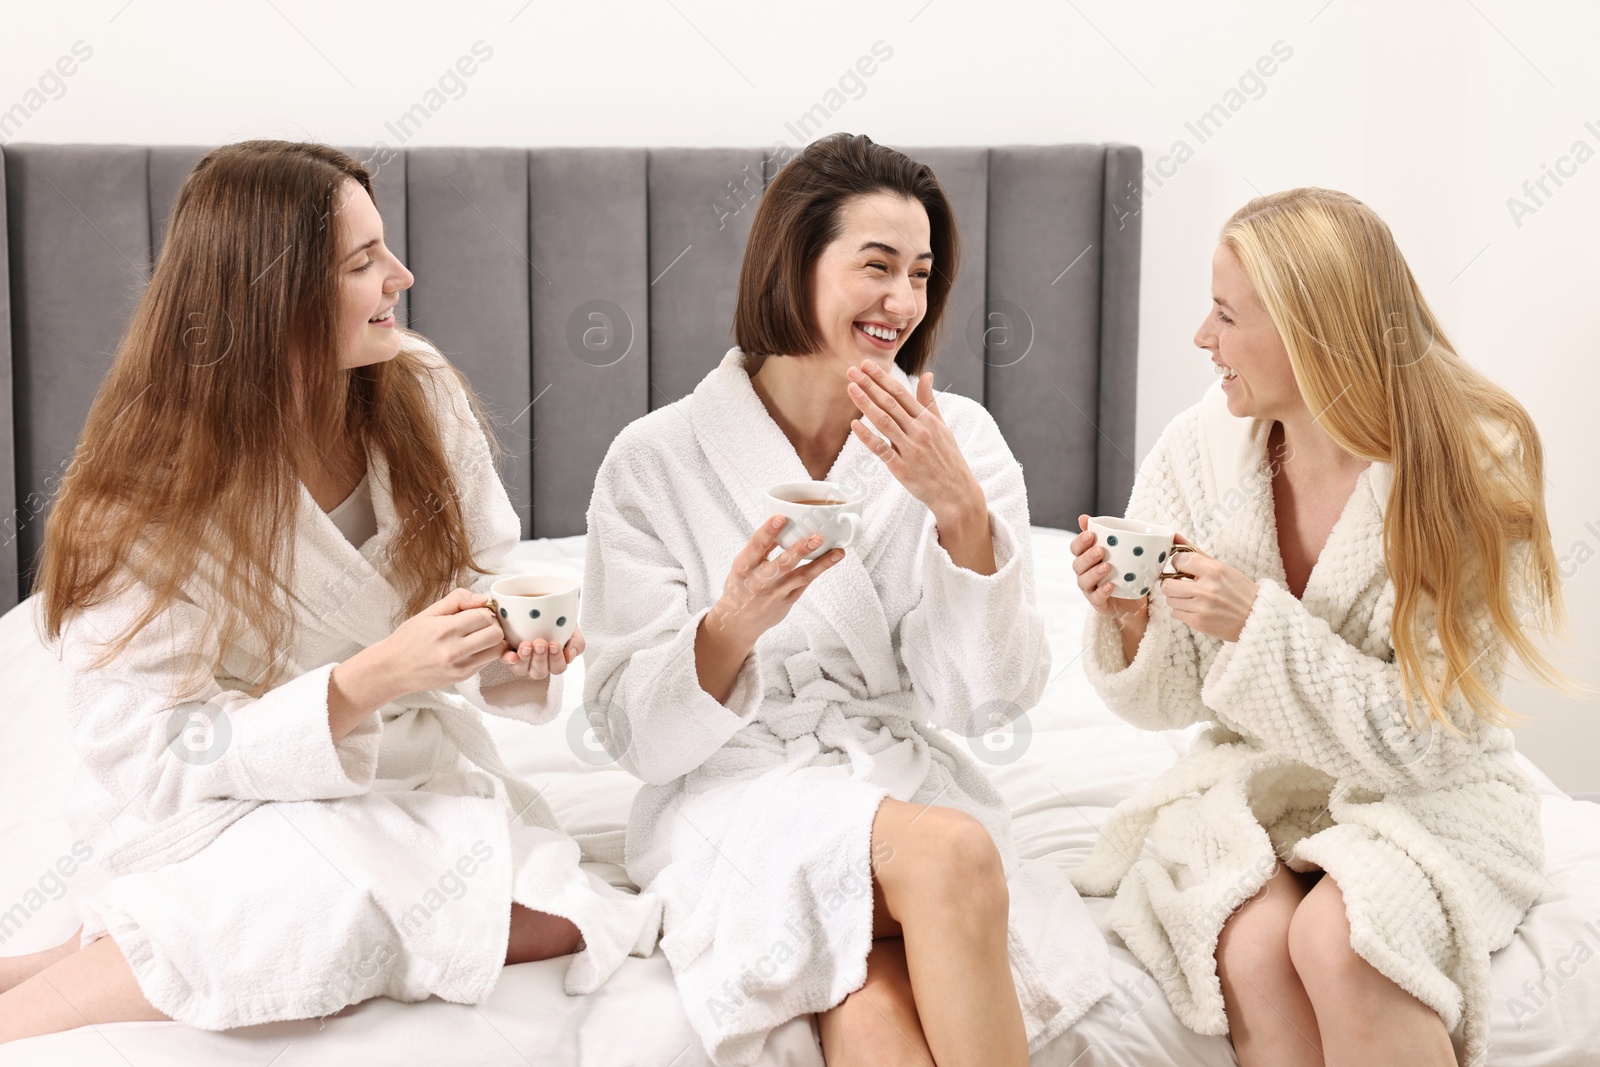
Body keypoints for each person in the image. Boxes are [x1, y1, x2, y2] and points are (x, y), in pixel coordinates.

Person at [0, 141, 659, 1043]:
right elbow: (149, 750)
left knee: (573, 918)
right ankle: (38, 1003)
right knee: (321, 909)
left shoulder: (416, 394)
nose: (402, 274)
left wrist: (507, 647)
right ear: (272, 296)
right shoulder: (150, 489)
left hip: (407, 778)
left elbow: (479, 574)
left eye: (383, 249)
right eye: (363, 262)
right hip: (228, 808)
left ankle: (69, 956)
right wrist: (363, 685)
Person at [581, 133, 1111, 1067]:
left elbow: (983, 705)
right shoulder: (655, 460)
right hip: (733, 792)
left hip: (889, 782)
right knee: (952, 855)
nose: (902, 303)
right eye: (876, 267)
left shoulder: (963, 445)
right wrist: (735, 621)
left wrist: (961, 518)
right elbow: (634, 734)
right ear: (794, 261)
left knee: (871, 1020)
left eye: (920, 274)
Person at [1070, 187, 1566, 1067]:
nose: (1200, 339)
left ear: (1310, 330)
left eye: (1225, 314)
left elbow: (1428, 739)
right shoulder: (1198, 450)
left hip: (1433, 794)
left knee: (1344, 936)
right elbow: (1166, 704)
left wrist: (1254, 620)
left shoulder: (1466, 471)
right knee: (1255, 942)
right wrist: (1135, 615)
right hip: (1259, 782)